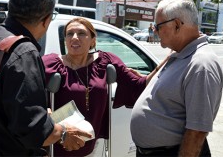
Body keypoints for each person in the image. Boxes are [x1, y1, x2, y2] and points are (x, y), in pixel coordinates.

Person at [0, 0, 91, 156]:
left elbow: (1, 106)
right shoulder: (24, 52)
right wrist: (63, 131)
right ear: (46, 19)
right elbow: (34, 133)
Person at [42, 17, 169, 157]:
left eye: (81, 33)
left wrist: (167, 61)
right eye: (70, 34)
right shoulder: (50, 63)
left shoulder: (105, 61)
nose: (75, 37)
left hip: (90, 146)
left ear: (93, 40)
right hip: (57, 146)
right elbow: (29, 99)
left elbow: (138, 86)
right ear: (65, 40)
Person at [130, 0, 223, 157]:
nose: (154, 30)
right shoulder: (181, 53)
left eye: (158, 26)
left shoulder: (201, 64)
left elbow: (197, 132)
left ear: (176, 25)